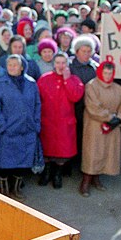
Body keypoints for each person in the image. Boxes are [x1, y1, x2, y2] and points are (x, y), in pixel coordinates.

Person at [0, 55, 41, 200]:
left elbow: (37, 105)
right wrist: (2, 126)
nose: (12, 67)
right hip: (8, 130)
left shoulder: (31, 83)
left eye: (15, 65)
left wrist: (35, 124)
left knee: (23, 162)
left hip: (27, 129)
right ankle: (4, 191)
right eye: (10, 65)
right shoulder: (2, 83)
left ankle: (16, 189)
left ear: (22, 67)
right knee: (5, 162)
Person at [80, 60, 121, 197]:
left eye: (110, 73)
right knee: (92, 152)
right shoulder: (91, 86)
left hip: (113, 127)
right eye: (105, 73)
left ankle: (97, 178)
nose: (108, 76)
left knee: (106, 152)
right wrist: (110, 118)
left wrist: (120, 119)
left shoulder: (120, 89)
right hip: (94, 125)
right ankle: (86, 181)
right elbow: (93, 107)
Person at [37, 53, 85, 189]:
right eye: (58, 63)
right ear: (53, 64)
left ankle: (58, 174)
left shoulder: (75, 79)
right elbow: (38, 100)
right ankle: (46, 173)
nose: (60, 66)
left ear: (67, 64)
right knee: (47, 149)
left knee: (62, 152)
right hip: (47, 121)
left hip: (65, 123)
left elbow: (75, 96)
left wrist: (67, 80)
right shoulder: (44, 79)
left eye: (63, 63)